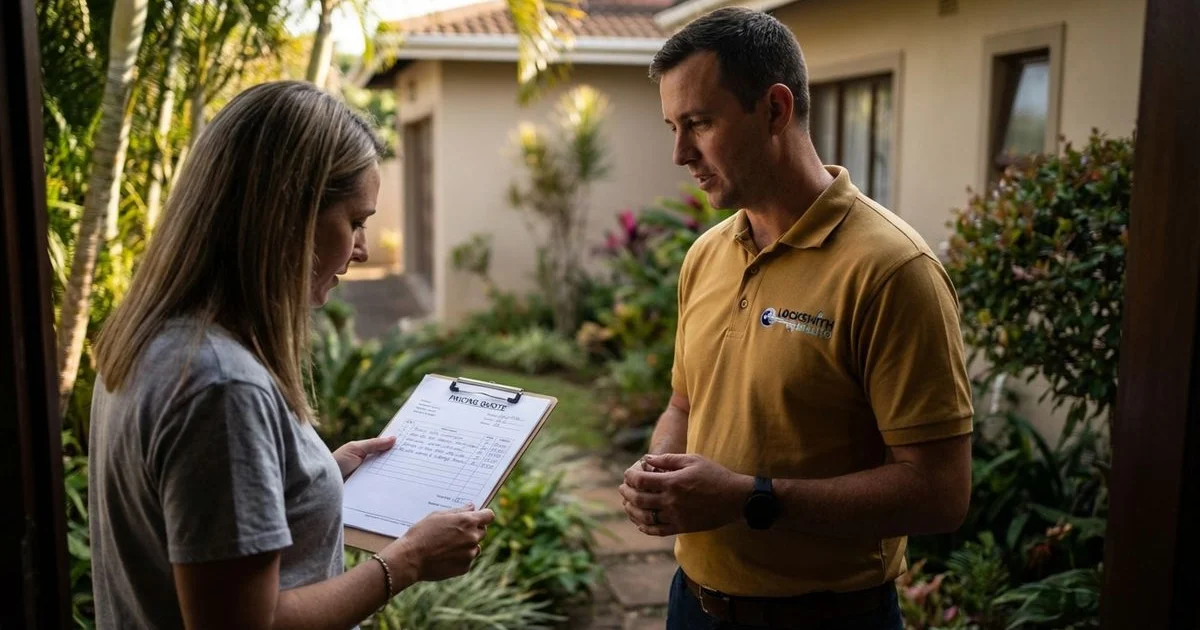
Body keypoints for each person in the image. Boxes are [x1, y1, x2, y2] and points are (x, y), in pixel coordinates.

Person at [87, 80, 494, 629]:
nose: (362, 249)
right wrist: (409, 560)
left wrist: (315, 477)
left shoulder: (153, 340)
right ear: (287, 215)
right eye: (355, 221)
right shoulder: (222, 386)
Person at [617, 8, 974, 629]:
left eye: (699, 123)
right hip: (692, 605)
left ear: (776, 110)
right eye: (673, 127)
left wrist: (749, 499)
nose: (679, 153)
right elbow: (683, 404)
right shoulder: (706, 254)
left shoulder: (893, 270)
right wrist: (658, 476)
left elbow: (939, 493)